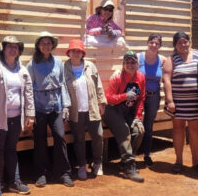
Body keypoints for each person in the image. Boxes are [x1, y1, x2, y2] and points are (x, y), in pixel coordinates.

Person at [0, 36, 35, 196]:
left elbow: (28, 93)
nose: (13, 49)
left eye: (16, 47)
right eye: (10, 46)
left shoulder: (22, 70)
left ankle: (14, 182)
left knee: (11, 150)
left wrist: (30, 114)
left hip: (15, 119)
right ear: (3, 49)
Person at [26, 31, 73, 188]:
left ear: (52, 45)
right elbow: (28, 89)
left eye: (48, 43)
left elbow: (62, 84)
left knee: (60, 136)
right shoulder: (32, 64)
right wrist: (30, 111)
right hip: (39, 106)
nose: (46, 46)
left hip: (55, 106)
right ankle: (42, 173)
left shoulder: (58, 62)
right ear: (38, 46)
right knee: (39, 139)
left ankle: (64, 172)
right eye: (43, 43)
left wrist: (66, 105)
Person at [163, 31, 198, 174]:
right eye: (179, 42)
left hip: (195, 102)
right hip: (177, 102)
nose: (183, 44)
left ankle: (196, 161)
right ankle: (178, 161)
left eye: (185, 41)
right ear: (175, 45)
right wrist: (170, 100)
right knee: (178, 129)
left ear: (189, 42)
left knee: (196, 131)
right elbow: (166, 80)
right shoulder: (171, 59)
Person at [64, 39, 107, 180]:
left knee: (98, 135)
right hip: (75, 111)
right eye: (73, 51)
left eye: (79, 51)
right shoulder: (65, 68)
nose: (76, 53)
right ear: (69, 53)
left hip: (92, 108)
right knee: (79, 139)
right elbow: (62, 89)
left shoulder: (90, 66)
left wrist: (102, 102)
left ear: (82, 53)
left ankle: (97, 162)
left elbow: (98, 85)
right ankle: (82, 165)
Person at [103, 51, 145, 183]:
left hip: (128, 110)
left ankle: (124, 161)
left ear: (137, 64)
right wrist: (124, 96)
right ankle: (129, 166)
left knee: (139, 131)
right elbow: (108, 98)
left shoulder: (141, 77)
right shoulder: (117, 77)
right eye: (127, 62)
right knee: (124, 130)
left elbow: (141, 99)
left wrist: (138, 116)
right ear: (123, 64)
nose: (130, 65)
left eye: (133, 62)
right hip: (111, 110)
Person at [138, 34, 165, 166]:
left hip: (154, 96)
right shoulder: (139, 57)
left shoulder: (162, 60)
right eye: (151, 42)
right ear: (147, 43)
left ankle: (147, 154)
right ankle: (129, 154)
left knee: (148, 125)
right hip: (138, 96)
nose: (154, 45)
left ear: (160, 46)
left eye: (157, 43)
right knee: (134, 122)